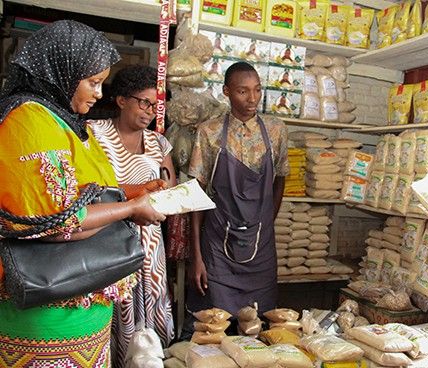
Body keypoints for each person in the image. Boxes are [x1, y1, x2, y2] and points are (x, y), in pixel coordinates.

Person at [0, 20, 165, 367]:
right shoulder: (30, 122)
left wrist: (134, 191)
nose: (99, 93)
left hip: (83, 311)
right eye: (92, 82)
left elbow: (87, 194)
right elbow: (58, 223)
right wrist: (132, 208)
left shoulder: (63, 121)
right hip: (44, 319)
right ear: (60, 70)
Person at [185, 62, 289, 327]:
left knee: (260, 323)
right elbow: (195, 194)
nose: (252, 98)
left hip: (261, 244)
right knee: (216, 323)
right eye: (243, 91)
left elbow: (280, 180)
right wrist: (196, 256)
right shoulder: (209, 131)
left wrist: (267, 221)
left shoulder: (276, 131)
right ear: (226, 92)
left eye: (257, 90)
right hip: (218, 243)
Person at [89, 65, 176, 366]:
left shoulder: (159, 144)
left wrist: (171, 195)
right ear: (121, 99)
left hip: (149, 246)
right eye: (144, 102)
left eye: (155, 105)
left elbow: (169, 193)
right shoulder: (94, 135)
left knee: (148, 332)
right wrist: (139, 193)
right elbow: (89, 192)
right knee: (112, 317)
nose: (150, 111)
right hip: (105, 240)